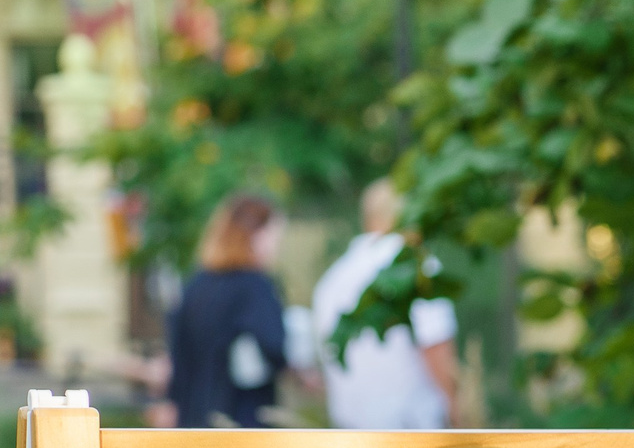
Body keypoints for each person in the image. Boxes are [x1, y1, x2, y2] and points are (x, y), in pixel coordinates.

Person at [311, 180, 460, 430]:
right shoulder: (415, 265)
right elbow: (435, 345)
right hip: (412, 430)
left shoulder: (332, 279)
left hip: (350, 432)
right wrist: (457, 410)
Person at [165, 193, 288, 427]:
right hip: (239, 415)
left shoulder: (196, 284)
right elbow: (273, 344)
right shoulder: (255, 285)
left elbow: (178, 353)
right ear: (256, 235)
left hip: (193, 416)